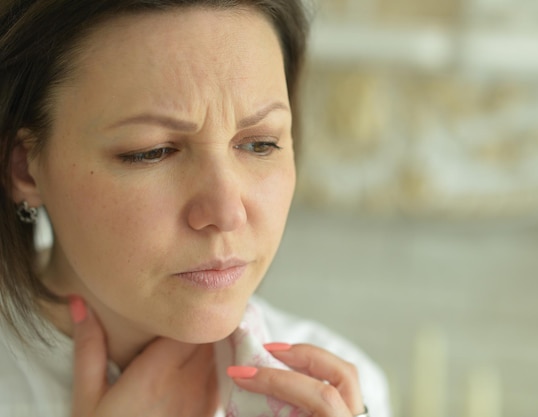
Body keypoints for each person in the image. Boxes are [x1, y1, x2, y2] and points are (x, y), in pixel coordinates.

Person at [0, 1, 391, 416]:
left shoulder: (338, 390)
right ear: (23, 167)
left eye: (260, 144)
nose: (227, 213)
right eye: (152, 152)